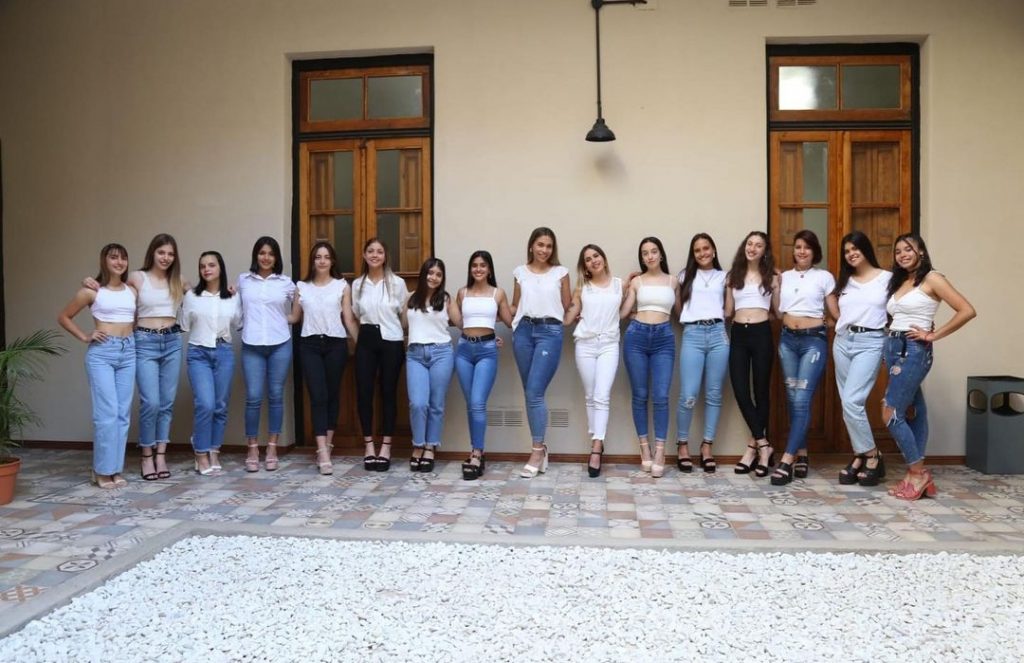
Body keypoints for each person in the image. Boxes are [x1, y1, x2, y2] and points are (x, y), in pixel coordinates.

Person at [883, 233, 975, 500]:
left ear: (921, 251)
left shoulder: (933, 278)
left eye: (908, 249)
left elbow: (966, 310)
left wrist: (933, 335)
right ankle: (915, 475)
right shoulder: (901, 280)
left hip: (913, 350)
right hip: (894, 347)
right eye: (898, 251)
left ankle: (918, 473)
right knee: (916, 410)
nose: (902, 255)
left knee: (890, 412)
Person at [58, 244, 137, 489]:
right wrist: (85, 336)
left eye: (123, 258)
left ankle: (115, 469)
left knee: (122, 414)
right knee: (107, 413)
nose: (119, 262)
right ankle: (102, 470)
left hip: (129, 351)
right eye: (114, 257)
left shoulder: (132, 290)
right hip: (103, 353)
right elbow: (64, 317)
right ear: (104, 260)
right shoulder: (91, 291)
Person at [826, 232, 891, 486]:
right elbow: (838, 311)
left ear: (866, 249)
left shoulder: (887, 279)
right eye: (847, 251)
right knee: (848, 402)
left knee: (853, 401)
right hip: (843, 341)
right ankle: (860, 455)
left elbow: (898, 310)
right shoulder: (845, 281)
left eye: (855, 249)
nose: (851, 254)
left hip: (871, 341)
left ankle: (872, 455)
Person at [770, 230, 835, 486]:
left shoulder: (824, 277)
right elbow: (778, 312)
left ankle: (787, 459)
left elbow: (836, 314)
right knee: (793, 398)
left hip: (812, 342)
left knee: (800, 399)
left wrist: (824, 324)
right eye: (798, 246)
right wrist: (776, 288)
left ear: (814, 251)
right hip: (787, 341)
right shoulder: (784, 277)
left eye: (807, 247)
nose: (802, 251)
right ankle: (803, 453)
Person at [290, 242, 357, 476]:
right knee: (317, 396)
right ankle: (322, 451)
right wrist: (263, 313)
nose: (322, 261)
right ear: (312, 261)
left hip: (335, 344)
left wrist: (361, 345)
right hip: (309, 345)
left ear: (332, 261)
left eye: (326, 257)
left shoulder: (342, 286)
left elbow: (348, 319)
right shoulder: (301, 287)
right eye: (318, 257)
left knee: (332, 395)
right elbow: (294, 317)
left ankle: (327, 445)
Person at [510, 227, 571, 478]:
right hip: (523, 332)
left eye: (548, 246)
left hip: (549, 332)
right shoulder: (519, 273)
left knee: (535, 392)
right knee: (530, 392)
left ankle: (537, 451)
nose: (544, 250)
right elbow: (515, 306)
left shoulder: (561, 273)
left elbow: (567, 305)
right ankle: (540, 447)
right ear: (531, 246)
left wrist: (566, 322)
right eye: (540, 245)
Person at [620, 237, 678, 478]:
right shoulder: (637, 281)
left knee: (661, 396)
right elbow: (623, 313)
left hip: (664, 338)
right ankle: (644, 448)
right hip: (637, 337)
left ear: (661, 254)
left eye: (654, 251)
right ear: (642, 258)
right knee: (640, 395)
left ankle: (660, 452)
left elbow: (682, 312)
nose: (650, 256)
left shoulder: (673, 281)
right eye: (645, 253)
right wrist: (624, 287)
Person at [237, 236, 295, 472]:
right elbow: (234, 306)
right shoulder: (243, 280)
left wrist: (286, 318)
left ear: (276, 257)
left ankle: (272, 447)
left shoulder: (286, 283)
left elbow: (301, 309)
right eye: (262, 253)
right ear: (256, 255)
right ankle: (252, 448)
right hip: (252, 345)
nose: (266, 257)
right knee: (253, 397)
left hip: (280, 343)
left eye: (271, 253)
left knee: (276, 395)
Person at [564, 244, 622, 478]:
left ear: (604, 259)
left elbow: (626, 310)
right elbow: (567, 318)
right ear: (585, 266)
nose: (593, 261)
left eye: (596, 256)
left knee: (602, 395)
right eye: (588, 259)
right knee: (590, 395)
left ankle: (596, 447)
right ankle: (595, 438)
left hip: (609, 344)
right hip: (585, 345)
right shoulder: (582, 289)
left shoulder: (620, 284)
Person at [351, 238, 410, 472]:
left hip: (392, 341)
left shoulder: (397, 283)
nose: (375, 255)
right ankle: (368, 446)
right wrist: (361, 340)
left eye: (379, 251)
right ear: (364, 256)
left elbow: (403, 318)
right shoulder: (358, 284)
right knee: (364, 393)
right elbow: (356, 315)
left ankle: (386, 447)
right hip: (366, 339)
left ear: (386, 256)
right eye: (370, 251)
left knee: (388, 393)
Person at [180, 251, 240, 475]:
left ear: (220, 268)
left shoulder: (233, 297)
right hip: (199, 353)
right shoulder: (192, 296)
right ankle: (200, 452)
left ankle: (214, 450)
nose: (206, 269)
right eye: (203, 266)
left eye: (211, 265)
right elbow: (184, 324)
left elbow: (239, 322)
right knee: (205, 404)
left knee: (220, 405)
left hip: (224, 352)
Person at [454, 251, 513, 480]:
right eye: (475, 265)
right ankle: (475, 450)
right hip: (464, 350)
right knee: (471, 404)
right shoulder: (462, 293)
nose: (478, 269)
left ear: (489, 270)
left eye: (483, 265)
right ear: (471, 269)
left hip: (487, 352)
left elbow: (510, 321)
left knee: (478, 402)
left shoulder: (498, 293)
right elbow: (459, 321)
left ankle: (477, 453)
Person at [727, 231, 779, 478]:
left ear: (765, 251)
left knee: (761, 392)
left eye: (758, 245)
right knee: (740, 390)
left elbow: (778, 312)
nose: (752, 248)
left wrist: (778, 289)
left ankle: (753, 449)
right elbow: (728, 310)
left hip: (761, 334)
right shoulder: (733, 276)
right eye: (749, 243)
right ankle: (764, 444)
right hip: (738, 333)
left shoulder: (773, 277)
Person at [675, 233, 728, 474]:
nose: (702, 253)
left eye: (706, 248)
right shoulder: (684, 276)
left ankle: (707, 446)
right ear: (693, 254)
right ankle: (682, 445)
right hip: (693, 334)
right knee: (688, 394)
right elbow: (678, 308)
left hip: (718, 334)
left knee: (714, 394)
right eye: (697, 250)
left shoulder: (725, 277)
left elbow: (730, 306)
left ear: (713, 250)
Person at [403, 258, 459, 473]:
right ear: (423, 274)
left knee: (436, 404)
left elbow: (463, 324)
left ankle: (430, 447)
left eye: (438, 274)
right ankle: (418, 445)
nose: (433, 277)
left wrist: (488, 337)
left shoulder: (446, 299)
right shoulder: (410, 298)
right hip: (415, 354)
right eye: (430, 272)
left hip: (441, 353)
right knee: (418, 403)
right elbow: (402, 325)